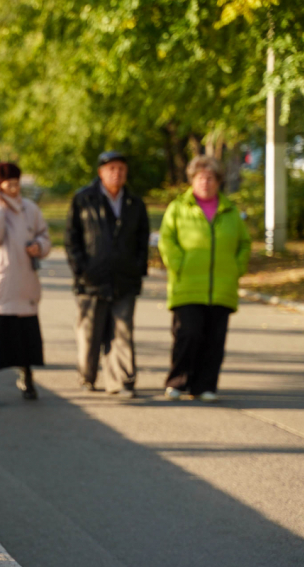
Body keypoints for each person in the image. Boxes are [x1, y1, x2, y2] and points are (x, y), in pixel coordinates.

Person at [158, 155, 251, 402]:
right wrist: (179, 264)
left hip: (221, 286)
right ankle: (178, 382)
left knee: (214, 339)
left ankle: (205, 386)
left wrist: (235, 267)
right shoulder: (178, 207)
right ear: (192, 180)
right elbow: (167, 240)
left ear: (219, 181)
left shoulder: (230, 210)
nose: (206, 182)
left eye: (211, 178)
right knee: (188, 334)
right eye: (201, 178)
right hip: (187, 284)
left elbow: (244, 243)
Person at [64, 151, 150, 398]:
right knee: (90, 333)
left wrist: (137, 268)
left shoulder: (135, 203)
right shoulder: (84, 199)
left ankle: (121, 381)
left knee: (122, 331)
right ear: (101, 172)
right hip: (91, 279)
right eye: (111, 168)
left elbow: (143, 240)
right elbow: (71, 239)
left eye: (121, 168)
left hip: (125, 279)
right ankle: (87, 376)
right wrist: (82, 270)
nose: (117, 173)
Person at [0, 163, 52, 407]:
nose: (14, 189)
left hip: (23, 284)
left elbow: (44, 235)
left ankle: (27, 377)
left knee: (24, 337)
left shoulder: (29, 209)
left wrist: (40, 247)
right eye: (8, 184)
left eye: (17, 183)